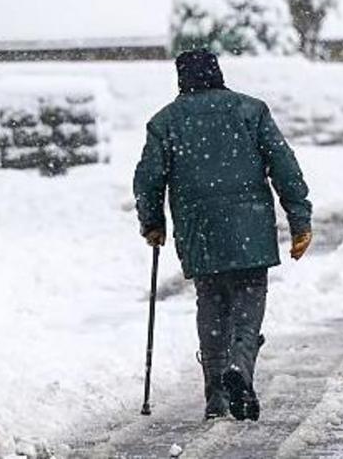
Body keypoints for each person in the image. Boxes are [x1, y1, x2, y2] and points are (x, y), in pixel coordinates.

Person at [133, 49, 313, 422]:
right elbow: (284, 165)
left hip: (199, 227)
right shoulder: (250, 110)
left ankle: (216, 396)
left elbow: (148, 179)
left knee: (211, 300)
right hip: (250, 226)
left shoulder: (165, 122)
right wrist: (299, 219)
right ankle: (240, 365)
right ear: (217, 73)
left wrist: (153, 222)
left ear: (181, 79)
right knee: (249, 294)